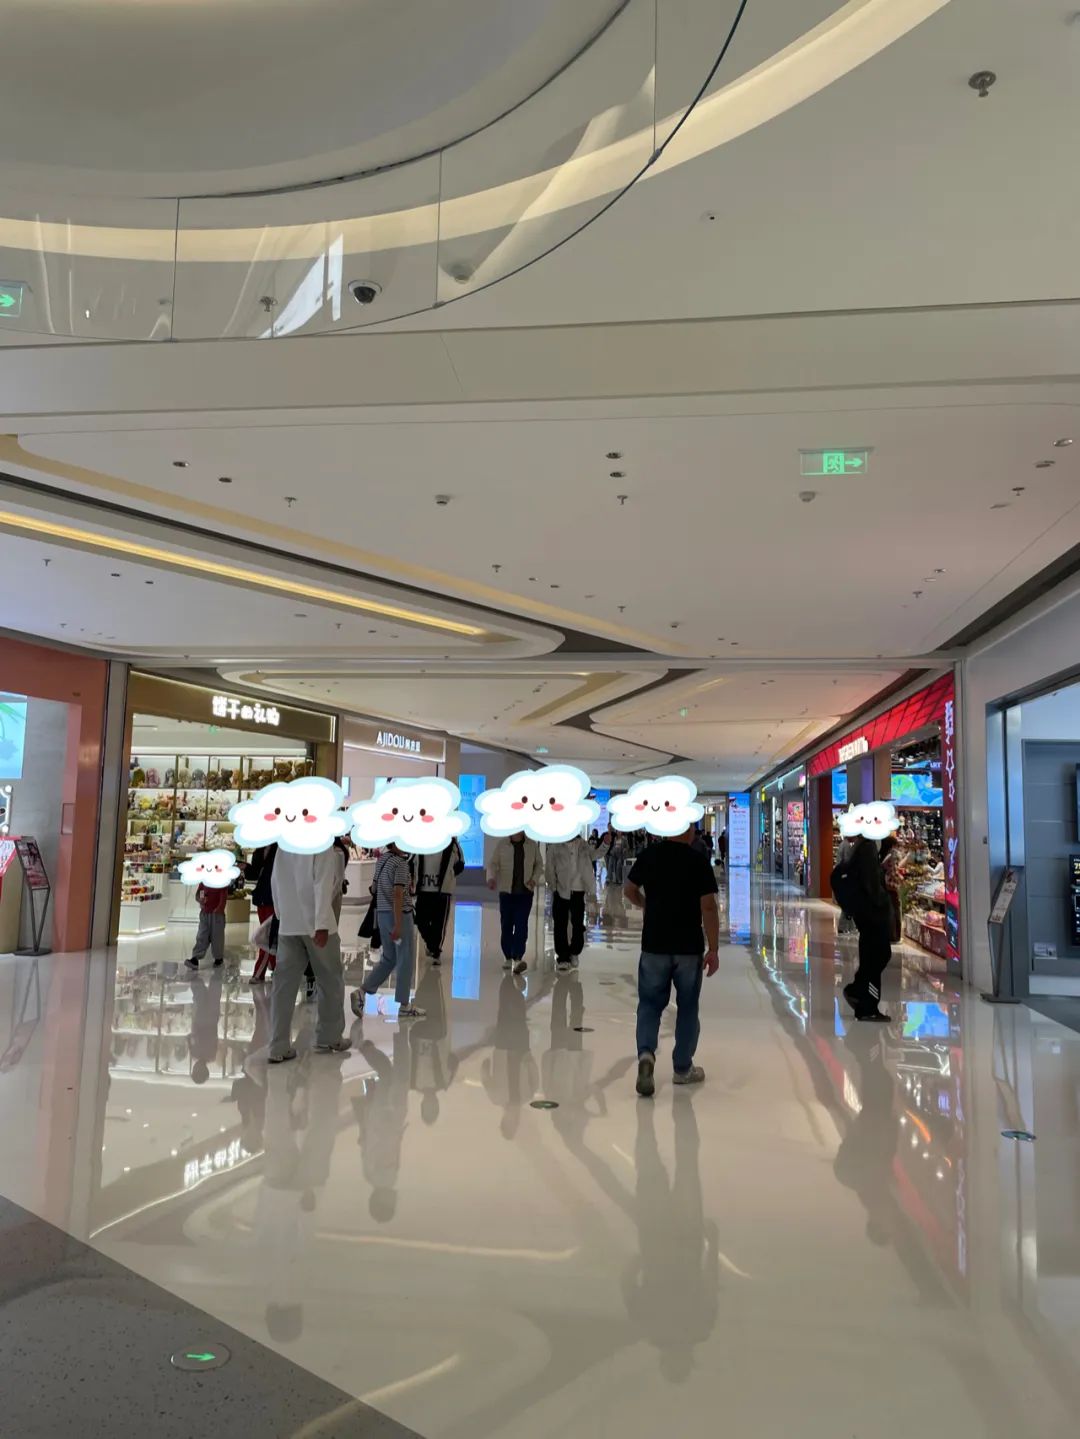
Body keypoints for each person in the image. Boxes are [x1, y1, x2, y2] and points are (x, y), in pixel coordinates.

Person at [624, 822, 720, 1096]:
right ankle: (682, 1068)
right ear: (687, 831)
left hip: (654, 943)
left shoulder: (649, 855)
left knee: (649, 1004)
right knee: (688, 1007)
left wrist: (646, 904)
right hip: (688, 947)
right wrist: (713, 949)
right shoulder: (698, 860)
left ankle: (646, 1054)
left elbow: (628, 889)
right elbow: (708, 907)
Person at [268, 846, 350, 1063]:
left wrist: (280, 913)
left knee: (283, 986)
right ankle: (329, 1036)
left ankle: (278, 1045)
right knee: (330, 980)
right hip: (316, 925)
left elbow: (275, 879)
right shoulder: (321, 843)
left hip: (289, 924)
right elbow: (322, 882)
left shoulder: (285, 843)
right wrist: (321, 924)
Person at [351, 842, 425, 1020]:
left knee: (389, 958)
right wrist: (398, 924)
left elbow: (374, 888)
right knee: (405, 958)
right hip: (399, 916)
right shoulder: (400, 863)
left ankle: (362, 991)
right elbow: (398, 894)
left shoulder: (382, 860)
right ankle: (404, 1005)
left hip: (383, 915)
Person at [833, 832, 893, 1022]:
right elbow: (871, 883)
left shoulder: (862, 846)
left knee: (873, 956)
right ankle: (867, 1006)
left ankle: (858, 991)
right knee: (877, 956)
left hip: (866, 914)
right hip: (872, 914)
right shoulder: (867, 847)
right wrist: (882, 903)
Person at [487, 831, 543, 974]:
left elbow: (539, 864)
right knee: (506, 925)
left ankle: (518, 957)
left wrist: (534, 879)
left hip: (525, 893)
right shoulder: (502, 845)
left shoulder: (531, 845)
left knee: (521, 925)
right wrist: (491, 878)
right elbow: (493, 864)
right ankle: (508, 956)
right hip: (506, 893)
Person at [546, 833, 593, 972]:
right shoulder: (555, 846)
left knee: (578, 924)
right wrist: (553, 887)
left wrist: (605, 844)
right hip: (561, 890)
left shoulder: (583, 844)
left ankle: (574, 951)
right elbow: (550, 867)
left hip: (578, 890)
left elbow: (594, 855)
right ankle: (562, 957)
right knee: (560, 923)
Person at [413, 837, 464, 964]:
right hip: (423, 889)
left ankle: (436, 952)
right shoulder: (419, 841)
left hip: (443, 890)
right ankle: (431, 945)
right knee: (420, 920)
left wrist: (450, 874)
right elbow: (412, 861)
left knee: (439, 923)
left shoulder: (451, 843)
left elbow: (461, 863)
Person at [246, 842, 277, 983]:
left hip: (273, 898)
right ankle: (274, 966)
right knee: (268, 935)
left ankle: (259, 973)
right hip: (262, 898)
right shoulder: (259, 850)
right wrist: (245, 867)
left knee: (266, 937)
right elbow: (253, 874)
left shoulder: (280, 849)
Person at [186, 876, 228, 969]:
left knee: (217, 937)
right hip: (205, 913)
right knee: (202, 935)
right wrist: (201, 899)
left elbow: (223, 895)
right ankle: (195, 958)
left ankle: (218, 958)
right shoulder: (204, 881)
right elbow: (200, 892)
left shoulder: (222, 881)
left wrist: (220, 908)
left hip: (217, 914)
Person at [880, 834, 903, 945]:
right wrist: (900, 879)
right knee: (895, 911)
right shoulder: (893, 855)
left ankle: (889, 934)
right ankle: (894, 936)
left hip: (885, 886)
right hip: (892, 886)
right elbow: (893, 872)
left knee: (889, 911)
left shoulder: (883, 855)